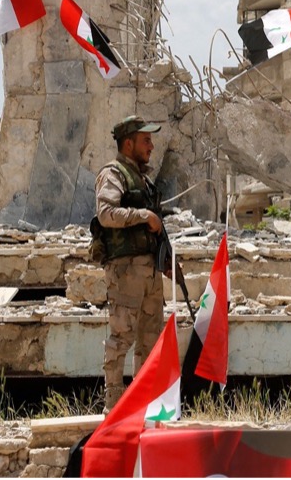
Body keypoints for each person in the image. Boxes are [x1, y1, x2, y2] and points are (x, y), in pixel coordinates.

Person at [93, 115, 165, 409]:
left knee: (150, 342)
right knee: (121, 339)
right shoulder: (113, 173)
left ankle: (143, 405)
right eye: (146, 140)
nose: (151, 146)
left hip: (149, 270)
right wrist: (143, 216)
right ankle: (113, 405)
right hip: (126, 271)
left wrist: (168, 261)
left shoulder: (144, 180)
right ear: (128, 143)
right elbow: (106, 213)